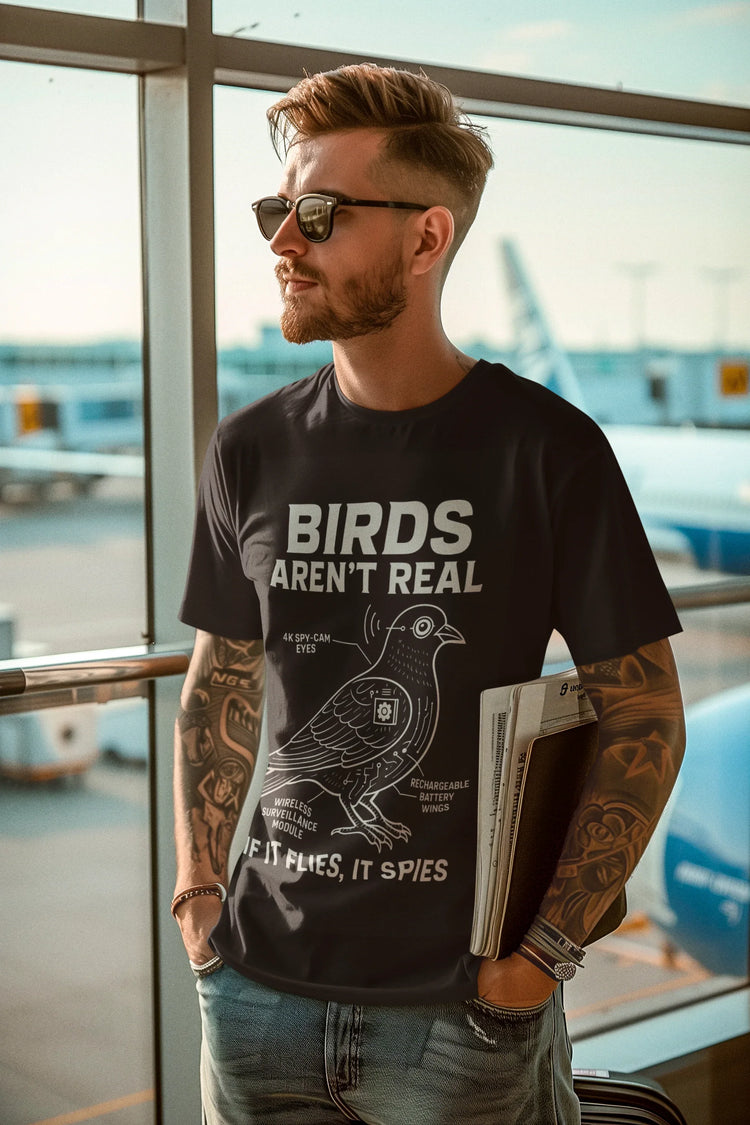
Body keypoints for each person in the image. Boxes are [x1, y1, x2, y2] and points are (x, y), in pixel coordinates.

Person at [172, 63, 685, 1124]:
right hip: (258, 995)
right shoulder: (250, 449)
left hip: (461, 1012)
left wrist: (537, 961)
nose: (281, 240)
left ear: (424, 237)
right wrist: (201, 906)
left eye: (318, 212)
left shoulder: (547, 452)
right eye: (277, 208)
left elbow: (643, 710)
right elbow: (217, 684)